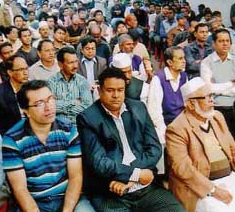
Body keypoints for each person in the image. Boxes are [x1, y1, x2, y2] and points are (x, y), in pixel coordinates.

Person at [76, 67, 184, 212]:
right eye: (110, 90)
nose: (116, 95)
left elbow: (155, 148)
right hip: (111, 192)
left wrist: (132, 178)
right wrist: (137, 174)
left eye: (120, 90)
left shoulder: (138, 108)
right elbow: (99, 162)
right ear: (100, 91)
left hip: (146, 187)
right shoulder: (88, 118)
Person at [165, 77, 235, 212]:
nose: (212, 100)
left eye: (211, 95)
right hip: (200, 187)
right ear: (191, 104)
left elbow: (234, 148)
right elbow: (183, 169)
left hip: (231, 178)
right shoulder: (176, 128)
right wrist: (213, 190)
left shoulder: (216, 117)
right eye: (206, 97)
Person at [2, 80, 95, 212]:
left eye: (50, 99)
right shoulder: (12, 139)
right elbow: (20, 189)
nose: (48, 107)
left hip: (68, 197)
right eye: (39, 103)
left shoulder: (68, 130)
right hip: (35, 201)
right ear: (26, 111)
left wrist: (66, 210)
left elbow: (76, 177)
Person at [200, 29, 235, 130]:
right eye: (221, 41)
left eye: (227, 41)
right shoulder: (206, 62)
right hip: (215, 107)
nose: (225, 44)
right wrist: (230, 84)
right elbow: (208, 88)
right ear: (213, 44)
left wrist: (222, 91)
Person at [147, 46, 188, 146]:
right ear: (170, 62)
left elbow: (188, 102)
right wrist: (166, 133)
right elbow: (154, 112)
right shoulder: (158, 79)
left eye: (184, 58)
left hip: (183, 122)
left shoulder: (183, 76)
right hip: (166, 124)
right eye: (180, 58)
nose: (184, 61)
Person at [47, 47, 94, 124]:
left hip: (79, 125)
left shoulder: (82, 81)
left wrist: (61, 106)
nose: (75, 66)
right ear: (60, 64)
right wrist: (74, 102)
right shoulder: (51, 82)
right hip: (58, 126)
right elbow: (50, 107)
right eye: (70, 63)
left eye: (76, 62)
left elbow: (87, 106)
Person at [0, 55, 28, 134]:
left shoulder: (33, 88)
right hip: (11, 135)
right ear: (10, 72)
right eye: (20, 70)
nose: (25, 73)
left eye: (26, 68)